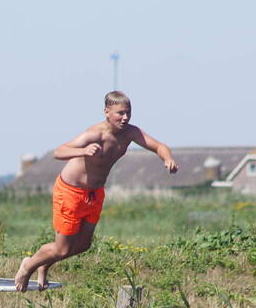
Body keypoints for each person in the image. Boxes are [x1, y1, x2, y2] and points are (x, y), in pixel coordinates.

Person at [14, 91, 178, 292]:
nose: (125, 117)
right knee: (62, 248)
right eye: (120, 113)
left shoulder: (131, 133)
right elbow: (59, 151)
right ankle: (28, 266)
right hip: (71, 192)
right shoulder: (94, 134)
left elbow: (159, 146)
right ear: (107, 112)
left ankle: (44, 264)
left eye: (128, 113)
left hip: (94, 193)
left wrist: (167, 158)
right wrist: (82, 151)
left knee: (83, 244)